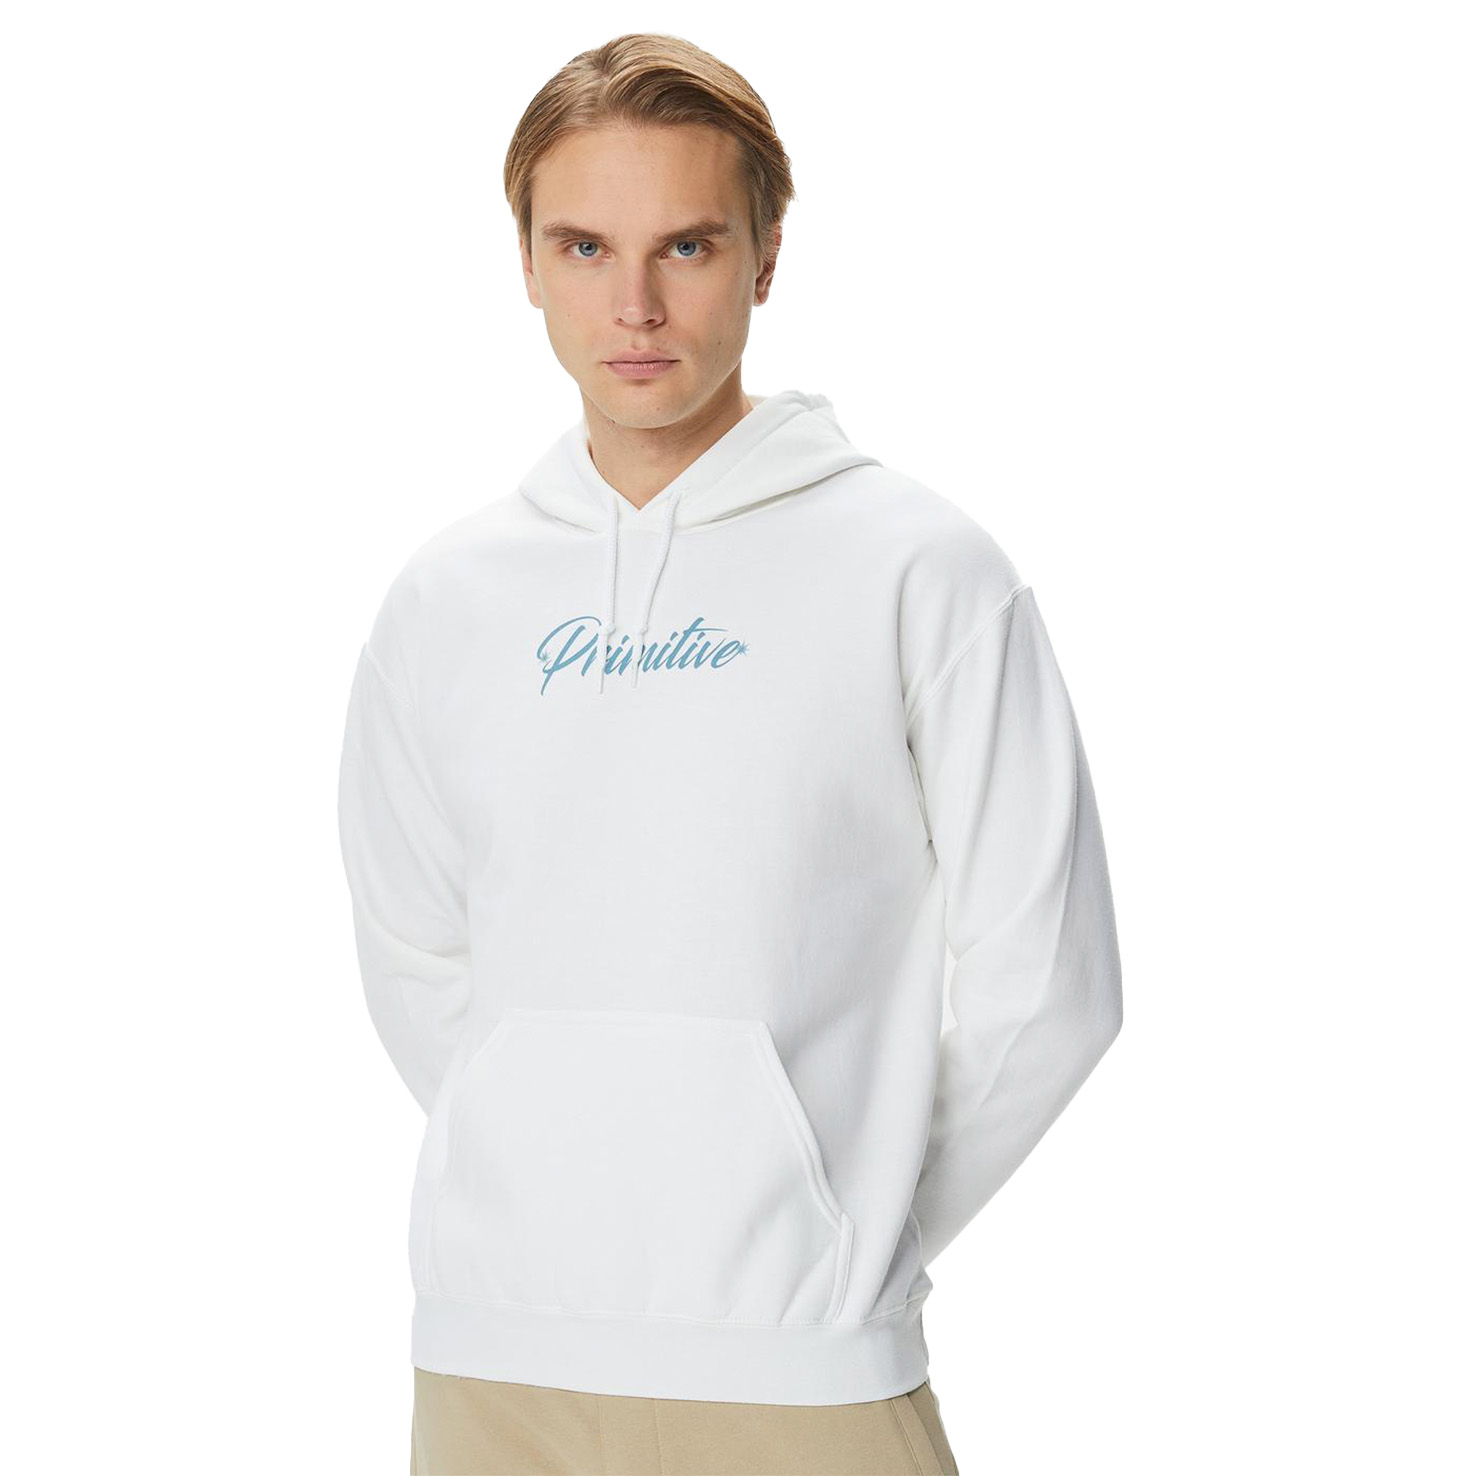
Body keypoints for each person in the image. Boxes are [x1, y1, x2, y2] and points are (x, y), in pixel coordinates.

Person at [336, 30, 1123, 1476]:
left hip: (805, 1378)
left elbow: (1052, 986)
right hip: (493, 1361)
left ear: (765, 257)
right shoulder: (446, 602)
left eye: (687, 246)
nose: (634, 305)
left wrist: (839, 1232)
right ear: (526, 265)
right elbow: (415, 958)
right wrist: (557, 1174)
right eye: (583, 247)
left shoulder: (921, 571)